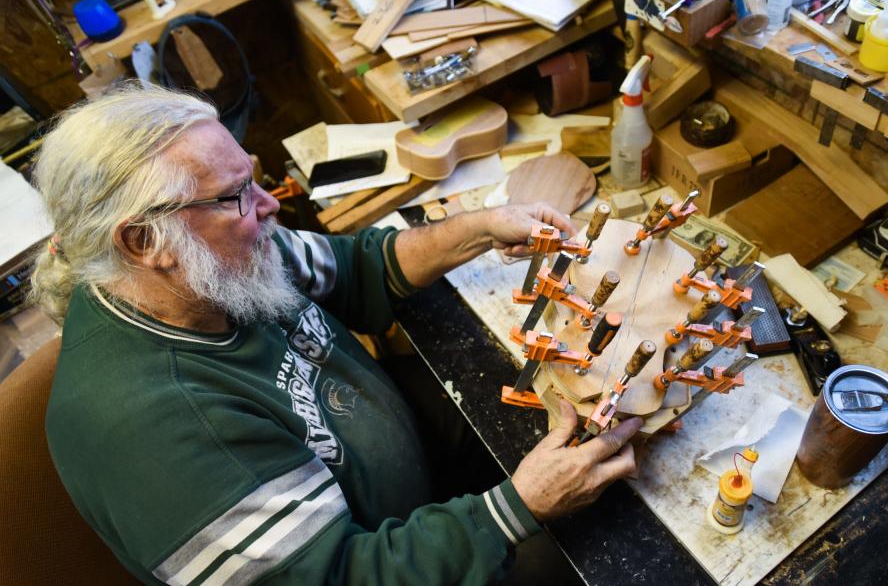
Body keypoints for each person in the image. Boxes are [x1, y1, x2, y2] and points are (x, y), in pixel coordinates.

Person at [32, 85, 642, 585]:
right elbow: (342, 578)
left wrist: (480, 229)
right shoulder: (160, 433)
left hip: (405, 488)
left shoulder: (218, 264)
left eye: (252, 178)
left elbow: (354, 268)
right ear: (142, 241)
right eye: (236, 195)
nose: (269, 205)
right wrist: (519, 508)